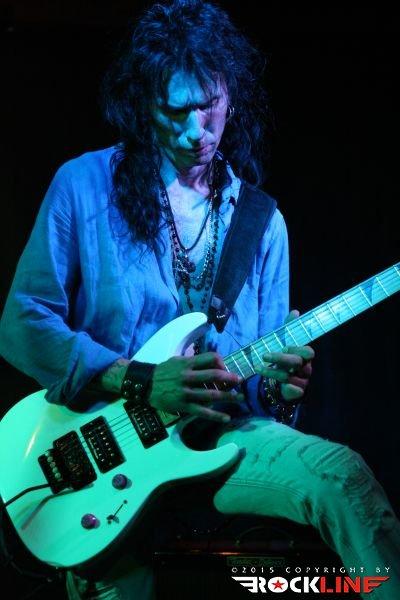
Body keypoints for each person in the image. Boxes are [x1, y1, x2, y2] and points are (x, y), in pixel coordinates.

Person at [1, 1, 399, 598]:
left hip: (224, 443)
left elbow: (260, 394)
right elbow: (22, 324)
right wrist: (139, 379)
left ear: (229, 95)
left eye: (208, 105)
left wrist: (280, 389)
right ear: (145, 105)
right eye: (175, 110)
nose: (197, 131)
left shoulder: (262, 224)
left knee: (344, 478)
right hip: (104, 454)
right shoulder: (83, 187)